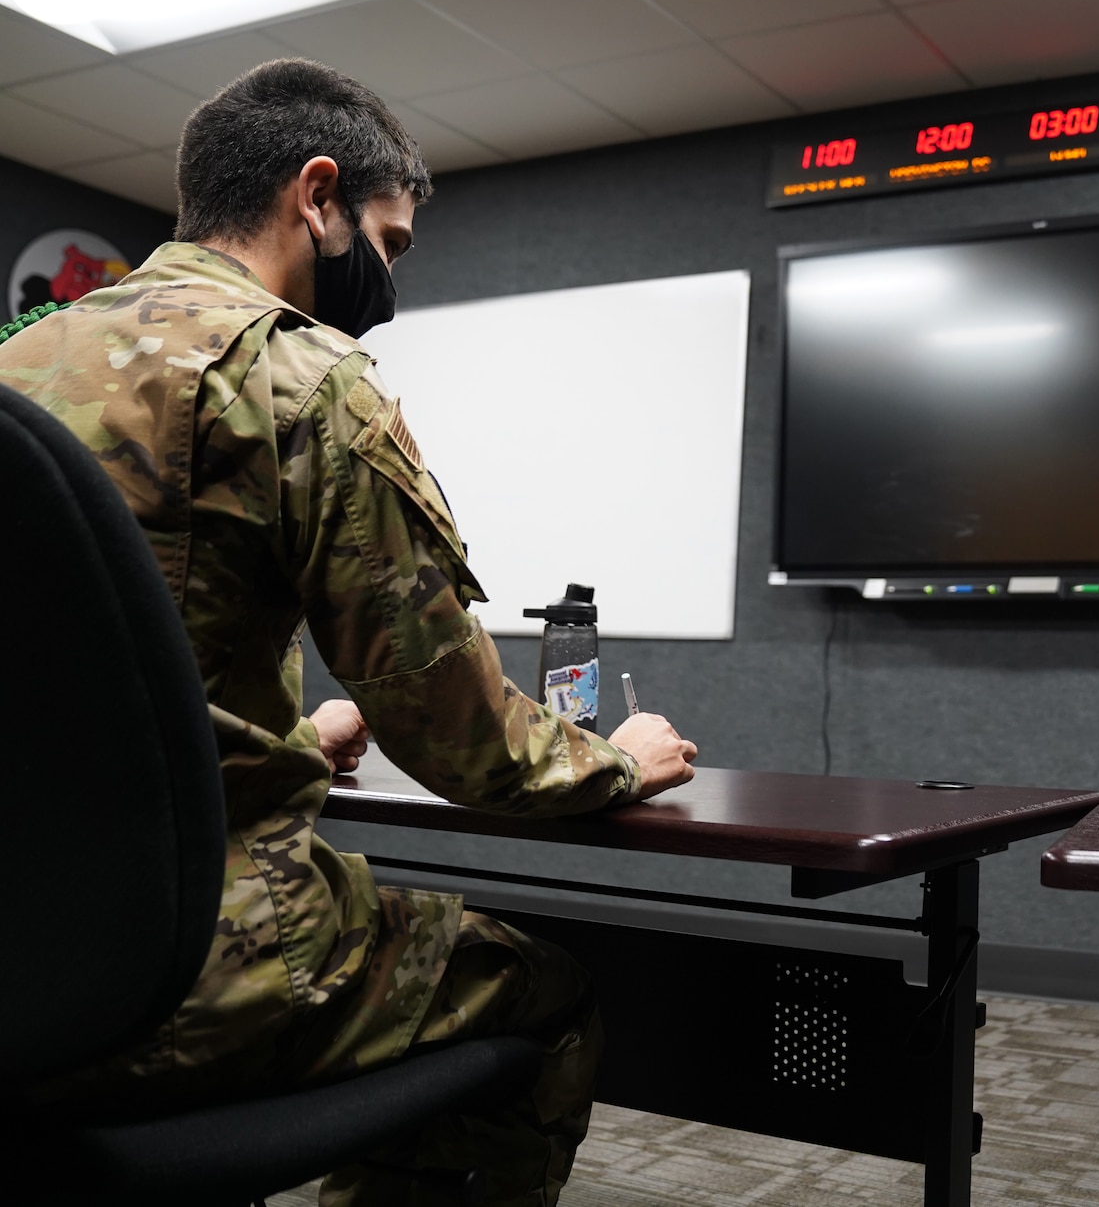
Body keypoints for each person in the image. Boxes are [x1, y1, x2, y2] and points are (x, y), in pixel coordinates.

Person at [0, 59, 698, 1206]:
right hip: (194, 969)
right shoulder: (300, 375)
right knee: (549, 991)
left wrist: (272, 729)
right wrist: (627, 755)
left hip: (24, 963)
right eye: (392, 238)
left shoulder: (20, 363)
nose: (389, 273)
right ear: (316, 198)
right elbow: (468, 747)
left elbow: (91, 667)